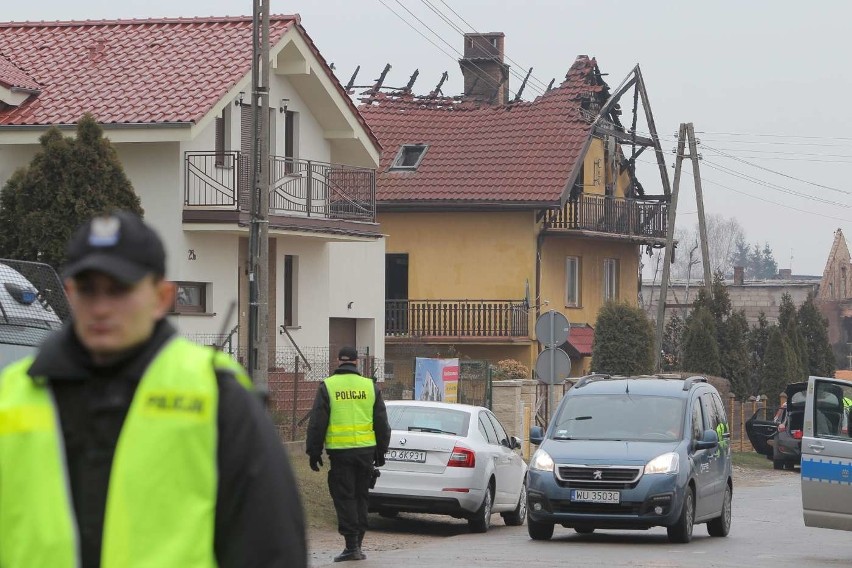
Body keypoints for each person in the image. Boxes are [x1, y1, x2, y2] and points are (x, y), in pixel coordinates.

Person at [0, 211, 307, 568]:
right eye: (88, 289)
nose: (101, 307)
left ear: (162, 296)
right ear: (69, 293)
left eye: (119, 290)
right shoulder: (12, 394)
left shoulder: (215, 396)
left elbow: (270, 547)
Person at [306, 346, 391, 562]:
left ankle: (351, 546)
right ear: (357, 362)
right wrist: (381, 450)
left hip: (340, 454)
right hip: (365, 453)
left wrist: (313, 451)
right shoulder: (370, 386)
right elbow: (382, 422)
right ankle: (357, 544)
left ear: (337, 361)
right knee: (362, 496)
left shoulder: (328, 386)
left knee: (345, 497)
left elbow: (317, 423)